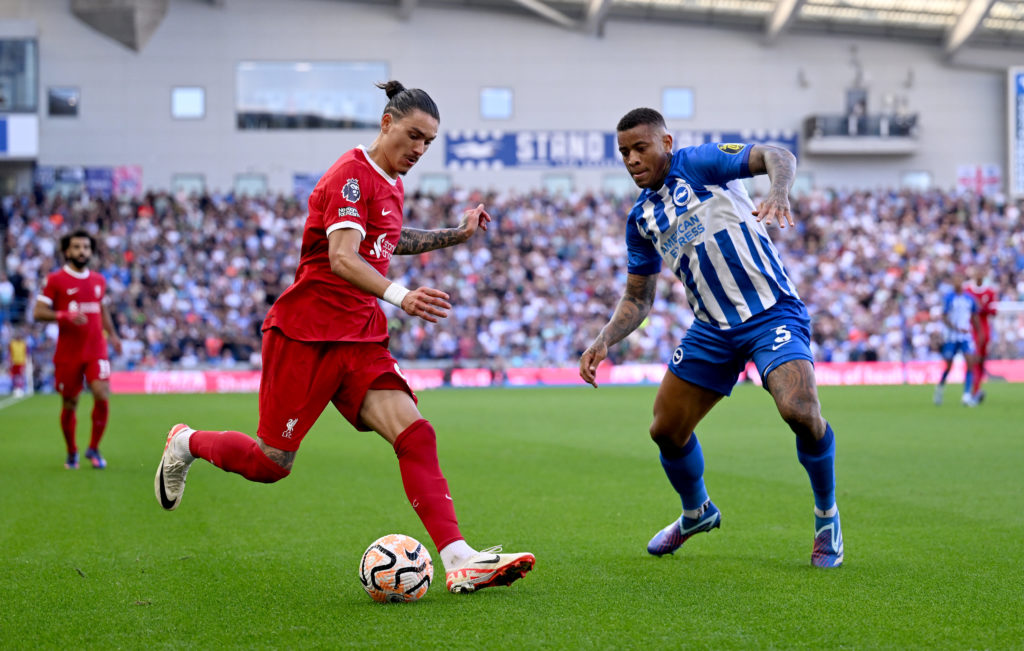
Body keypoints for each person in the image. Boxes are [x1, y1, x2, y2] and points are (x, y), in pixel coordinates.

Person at [155, 80, 535, 595]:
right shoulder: (350, 177)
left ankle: (459, 557)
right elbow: (342, 257)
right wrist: (402, 297)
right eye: (414, 136)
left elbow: (387, 239)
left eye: (429, 142)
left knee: (416, 434)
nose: (420, 150)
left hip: (359, 336)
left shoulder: (392, 182)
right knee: (271, 464)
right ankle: (186, 442)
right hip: (307, 334)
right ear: (386, 124)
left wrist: (455, 234)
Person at [579, 108, 843, 568]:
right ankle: (696, 512)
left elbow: (777, 154)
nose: (631, 159)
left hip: (770, 312)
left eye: (640, 147)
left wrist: (778, 191)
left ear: (665, 142)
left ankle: (827, 516)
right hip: (711, 330)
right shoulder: (641, 219)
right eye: (623, 152)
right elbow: (639, 298)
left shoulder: (700, 164)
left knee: (799, 410)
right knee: (665, 429)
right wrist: (604, 339)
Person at [33, 230, 122, 469]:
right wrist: (64, 315)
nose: (82, 251)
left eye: (86, 247)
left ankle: (93, 448)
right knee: (70, 403)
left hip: (96, 349)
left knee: (102, 393)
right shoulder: (55, 280)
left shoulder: (98, 280)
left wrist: (113, 336)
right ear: (67, 251)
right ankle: (72, 451)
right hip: (68, 352)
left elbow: (102, 310)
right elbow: (38, 312)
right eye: (77, 247)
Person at [933, 271, 980, 407]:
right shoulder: (949, 298)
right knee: (949, 366)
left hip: (965, 337)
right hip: (951, 337)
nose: (957, 283)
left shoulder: (969, 299)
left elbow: (975, 317)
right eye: (955, 280)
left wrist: (979, 333)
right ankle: (940, 388)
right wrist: (956, 328)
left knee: (970, 363)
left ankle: (966, 396)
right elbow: (944, 317)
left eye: (959, 280)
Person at [964, 267, 998, 403]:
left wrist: (982, 308)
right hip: (972, 331)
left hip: (985, 330)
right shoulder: (967, 290)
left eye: (981, 273)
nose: (979, 275)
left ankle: (976, 388)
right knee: (974, 360)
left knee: (981, 361)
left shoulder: (989, 291)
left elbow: (994, 311)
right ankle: (973, 391)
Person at [8, 326, 28, 397]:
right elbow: (10, 353)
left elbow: (26, 353)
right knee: (14, 376)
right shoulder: (12, 343)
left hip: (21, 362)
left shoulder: (23, 344)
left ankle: (20, 388)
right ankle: (15, 388)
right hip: (14, 362)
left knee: (20, 376)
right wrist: (10, 361)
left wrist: (25, 362)